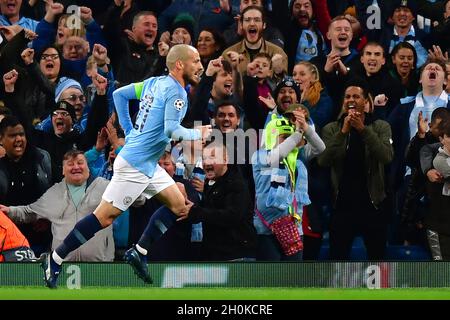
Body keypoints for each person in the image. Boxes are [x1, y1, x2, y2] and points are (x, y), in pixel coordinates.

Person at [40, 44, 211, 288]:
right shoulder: (177, 93)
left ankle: (139, 251)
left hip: (147, 163)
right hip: (134, 166)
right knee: (103, 218)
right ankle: (54, 259)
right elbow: (172, 130)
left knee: (178, 205)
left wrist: (130, 131)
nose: (200, 66)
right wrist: (198, 133)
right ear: (179, 64)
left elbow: (119, 95)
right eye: (195, 61)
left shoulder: (154, 83)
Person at [318, 81, 394, 260]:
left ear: (366, 101)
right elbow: (323, 160)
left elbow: (386, 156)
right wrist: (343, 132)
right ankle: (339, 289)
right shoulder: (331, 129)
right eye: (347, 96)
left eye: (356, 96)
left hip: (373, 205)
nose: (351, 100)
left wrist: (363, 130)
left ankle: (377, 290)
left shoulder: (381, 126)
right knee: (338, 259)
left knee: (377, 259)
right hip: (343, 206)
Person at [0, 150, 114, 262]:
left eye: (80, 163)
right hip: (61, 266)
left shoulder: (106, 187)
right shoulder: (54, 192)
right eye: (70, 164)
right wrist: (8, 211)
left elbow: (129, 199)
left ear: (88, 167)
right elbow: (29, 212)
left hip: (100, 265)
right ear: (63, 170)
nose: (76, 167)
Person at [252, 105, 325, 261]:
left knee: (292, 278)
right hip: (266, 229)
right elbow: (278, 154)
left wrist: (305, 127)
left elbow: (320, 147)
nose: (291, 141)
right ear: (272, 136)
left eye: (289, 136)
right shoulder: (260, 157)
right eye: (284, 136)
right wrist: (297, 134)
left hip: (293, 228)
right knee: (271, 279)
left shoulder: (296, 158)